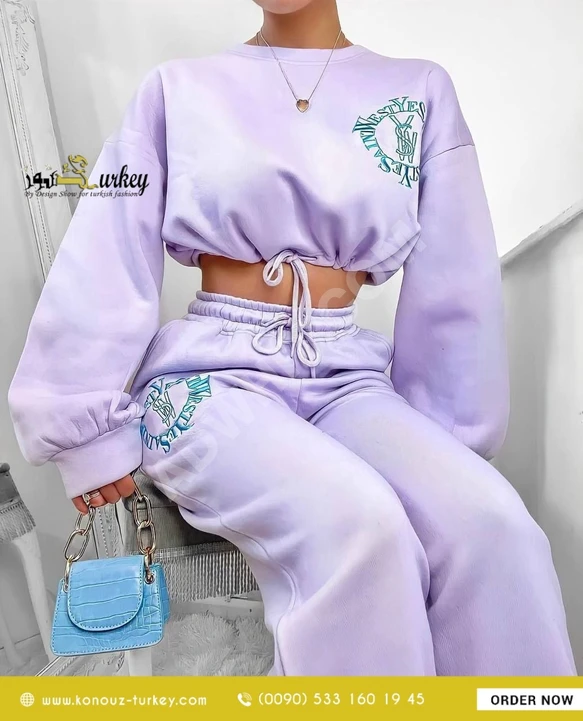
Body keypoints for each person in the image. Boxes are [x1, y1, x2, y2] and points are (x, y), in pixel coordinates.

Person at [7, 0, 576, 676]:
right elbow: (106, 247)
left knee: (495, 527)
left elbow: (455, 272)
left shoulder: (420, 90)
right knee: (359, 527)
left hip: (346, 378)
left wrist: (445, 439)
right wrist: (81, 425)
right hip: (208, 381)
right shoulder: (176, 89)